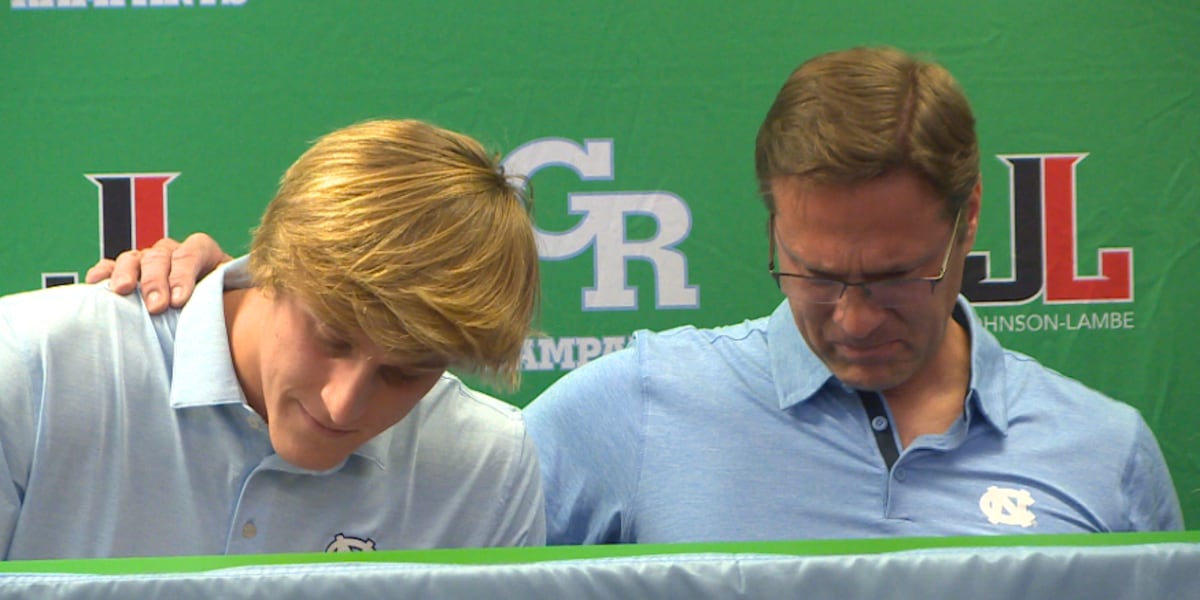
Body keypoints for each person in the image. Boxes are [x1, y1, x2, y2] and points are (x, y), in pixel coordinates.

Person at [91, 47, 1183, 545]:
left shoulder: (1108, 451)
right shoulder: (638, 403)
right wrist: (229, 296)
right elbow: (380, 490)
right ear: (768, 223)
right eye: (814, 273)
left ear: (969, 228)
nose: (853, 316)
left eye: (896, 276)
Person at [3, 119, 545, 559]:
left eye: (404, 373)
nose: (342, 403)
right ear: (271, 264)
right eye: (333, 338)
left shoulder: (486, 466)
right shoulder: (33, 368)